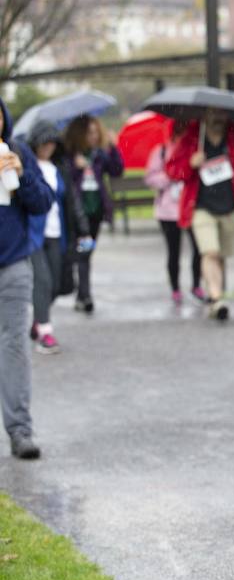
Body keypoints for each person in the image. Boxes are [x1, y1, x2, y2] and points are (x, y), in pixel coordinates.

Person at [166, 108, 234, 321]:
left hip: (229, 207)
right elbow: (172, 170)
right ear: (205, 115)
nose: (217, 117)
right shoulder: (192, 137)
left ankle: (215, 296)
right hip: (201, 207)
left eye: (221, 113)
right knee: (210, 252)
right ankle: (216, 298)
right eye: (213, 113)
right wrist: (190, 163)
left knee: (221, 256)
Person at [0, 96, 53, 459]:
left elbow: (43, 202)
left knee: (15, 346)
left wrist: (22, 175)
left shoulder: (17, 151)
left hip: (14, 265)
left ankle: (20, 430)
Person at [26, 120, 91, 354]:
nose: (48, 147)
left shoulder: (59, 168)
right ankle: (46, 332)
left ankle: (38, 319)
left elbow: (72, 201)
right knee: (42, 280)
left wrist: (83, 229)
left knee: (54, 284)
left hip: (57, 233)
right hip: (33, 235)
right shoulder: (27, 166)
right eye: (44, 142)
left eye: (52, 142)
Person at [62, 114, 124, 314]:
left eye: (97, 132)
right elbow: (64, 179)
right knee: (83, 253)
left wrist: (113, 147)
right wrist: (76, 168)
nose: (94, 136)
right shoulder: (69, 155)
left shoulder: (99, 154)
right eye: (90, 133)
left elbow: (116, 170)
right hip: (77, 213)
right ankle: (84, 295)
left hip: (95, 210)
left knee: (86, 252)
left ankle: (82, 295)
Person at [144, 119, 204, 306]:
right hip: (167, 211)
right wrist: (173, 175)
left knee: (199, 248)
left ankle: (196, 284)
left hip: (191, 208)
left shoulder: (197, 151)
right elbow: (151, 178)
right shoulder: (161, 151)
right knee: (173, 251)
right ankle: (175, 288)